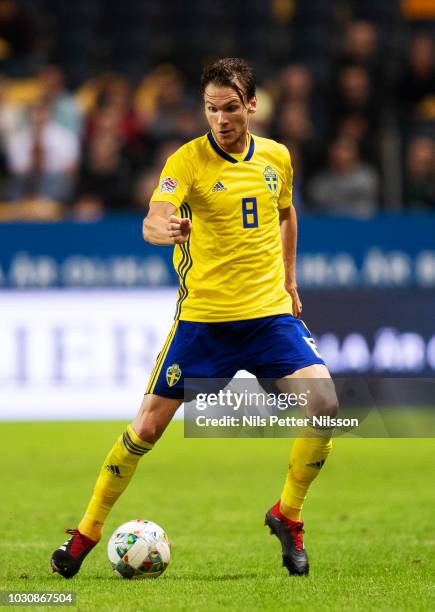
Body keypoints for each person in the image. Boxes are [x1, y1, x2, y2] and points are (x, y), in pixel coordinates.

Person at [51, 58, 338, 578]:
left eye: (231, 108)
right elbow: (154, 218)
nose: (221, 119)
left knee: (326, 406)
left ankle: (287, 515)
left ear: (252, 105)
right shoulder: (185, 161)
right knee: (146, 427)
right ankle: (87, 531)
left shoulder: (276, 157)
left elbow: (285, 213)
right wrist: (163, 229)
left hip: (270, 319)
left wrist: (290, 282)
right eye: (211, 109)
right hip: (204, 324)